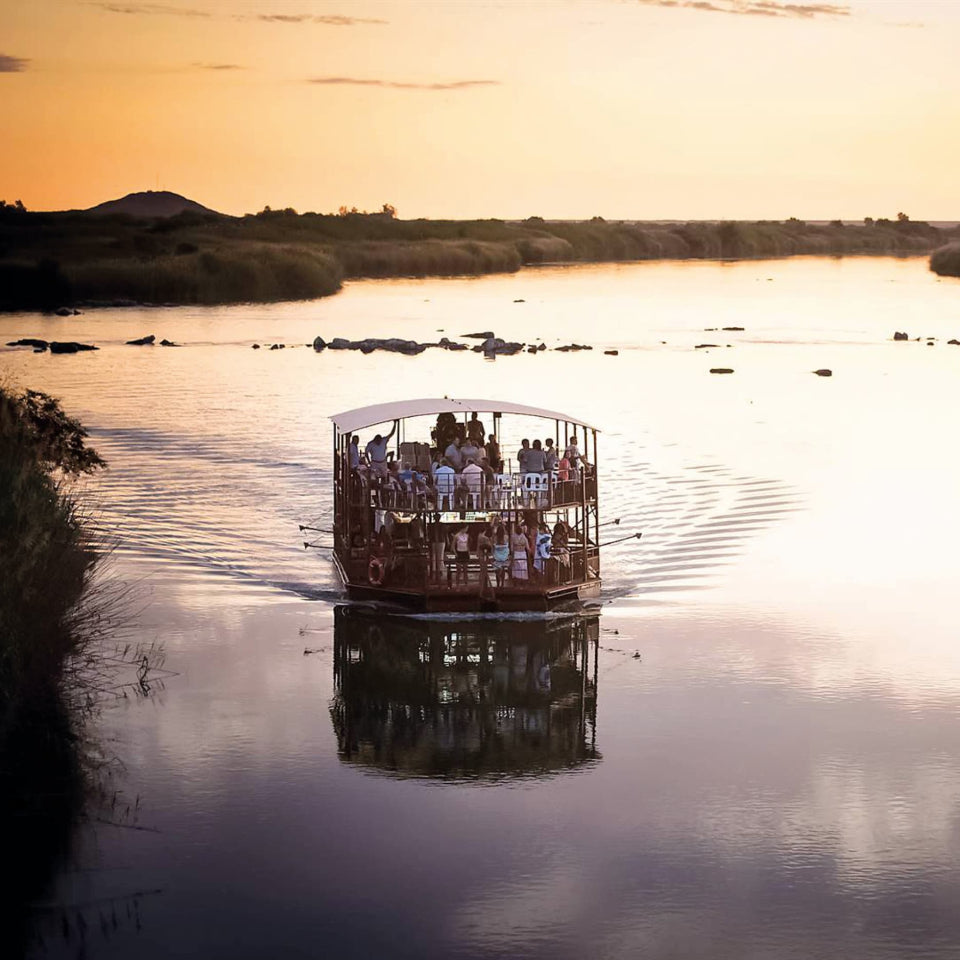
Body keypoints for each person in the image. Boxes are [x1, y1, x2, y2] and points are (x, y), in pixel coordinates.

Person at [492, 523, 510, 588]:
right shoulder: (506, 537)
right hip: (504, 555)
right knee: (503, 569)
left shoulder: (495, 537)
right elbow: (507, 544)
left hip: (497, 555)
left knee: (497, 569)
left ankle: (498, 584)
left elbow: (493, 546)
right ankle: (502, 583)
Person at [476, 524, 493, 592]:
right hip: (483, 554)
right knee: (483, 568)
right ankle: (483, 582)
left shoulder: (478, 536)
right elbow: (490, 546)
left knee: (482, 568)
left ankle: (482, 581)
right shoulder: (484, 538)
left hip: (480, 553)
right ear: (485, 530)